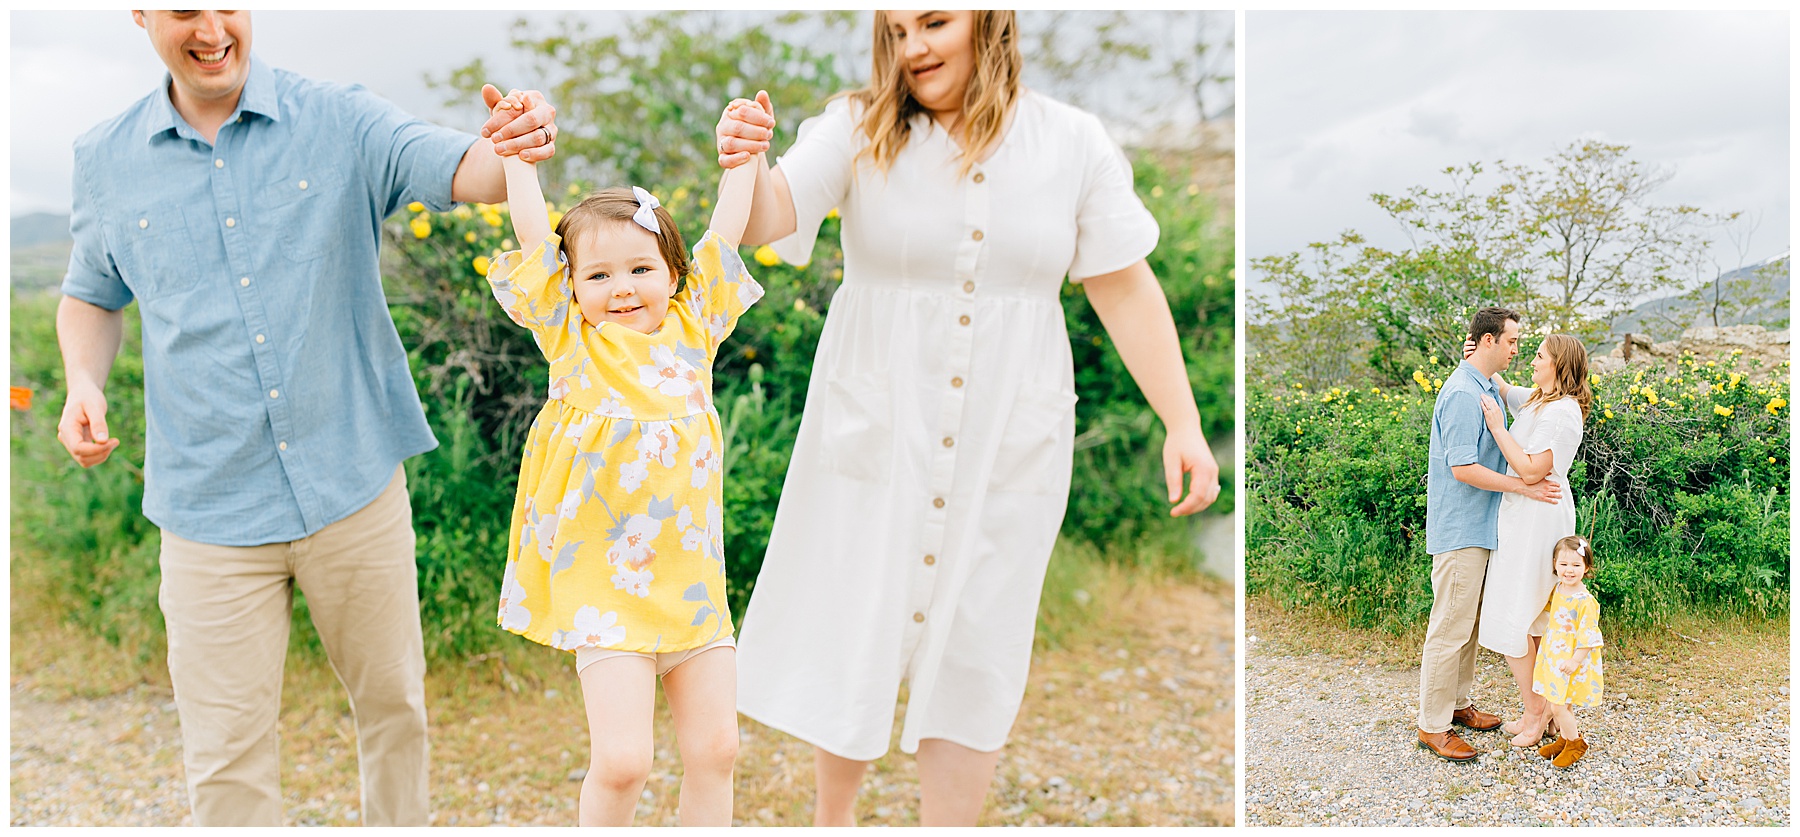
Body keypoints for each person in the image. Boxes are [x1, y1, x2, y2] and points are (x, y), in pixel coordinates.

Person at [712, 10, 1220, 825]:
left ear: (993, 19)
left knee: (981, 633)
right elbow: (772, 216)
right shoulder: (855, 125)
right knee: (857, 613)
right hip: (878, 418)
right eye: (897, 30)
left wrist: (1183, 422)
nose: (913, 48)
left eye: (935, 22)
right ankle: (830, 820)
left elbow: (1122, 284)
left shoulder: (1073, 142)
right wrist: (748, 159)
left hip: (1011, 429)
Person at [54, 11, 558, 826]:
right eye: (185, 9)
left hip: (352, 482)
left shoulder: (341, 117)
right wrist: (84, 380)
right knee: (223, 756)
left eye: (228, 4)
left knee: (395, 711)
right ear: (141, 13)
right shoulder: (104, 158)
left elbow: (471, 169)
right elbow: (90, 295)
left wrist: (516, 138)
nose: (212, 28)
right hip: (207, 511)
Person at [481, 87, 766, 826]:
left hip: (694, 589)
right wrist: (517, 158)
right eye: (598, 276)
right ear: (571, 288)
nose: (622, 289)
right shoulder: (572, 338)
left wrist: (744, 154)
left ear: (673, 275)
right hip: (605, 594)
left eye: (641, 269)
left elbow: (725, 238)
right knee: (622, 761)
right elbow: (535, 238)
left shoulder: (696, 327)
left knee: (717, 749)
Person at [1416, 306, 1562, 762]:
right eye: (1512, 341)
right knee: (1449, 628)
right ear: (1488, 342)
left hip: (1485, 526)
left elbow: (1517, 402)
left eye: (1521, 343)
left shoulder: (1482, 385)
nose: (1518, 350)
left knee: (1469, 623)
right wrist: (1523, 485)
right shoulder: (1462, 392)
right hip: (1461, 527)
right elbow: (1462, 468)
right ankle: (1433, 726)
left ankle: (1458, 705)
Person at [1472, 333, 1590, 746]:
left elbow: (1528, 470)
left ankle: (1537, 713)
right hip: (1522, 515)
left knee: (1517, 614)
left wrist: (1496, 428)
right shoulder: (1540, 399)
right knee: (1530, 616)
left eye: (1539, 356)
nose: (1532, 360)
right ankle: (1546, 711)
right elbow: (1505, 389)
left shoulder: (1562, 413)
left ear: (1558, 366)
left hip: (1540, 516)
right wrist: (1476, 356)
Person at [1531, 535, 1605, 768]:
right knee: (1565, 702)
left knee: (1557, 705)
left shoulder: (1585, 601)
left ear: (1587, 567)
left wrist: (1575, 660)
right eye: (1563, 564)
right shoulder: (1558, 589)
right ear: (1555, 564)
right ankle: (1564, 738)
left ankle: (1575, 743)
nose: (1569, 570)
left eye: (1576, 565)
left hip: (1572, 659)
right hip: (1555, 655)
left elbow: (1589, 636)